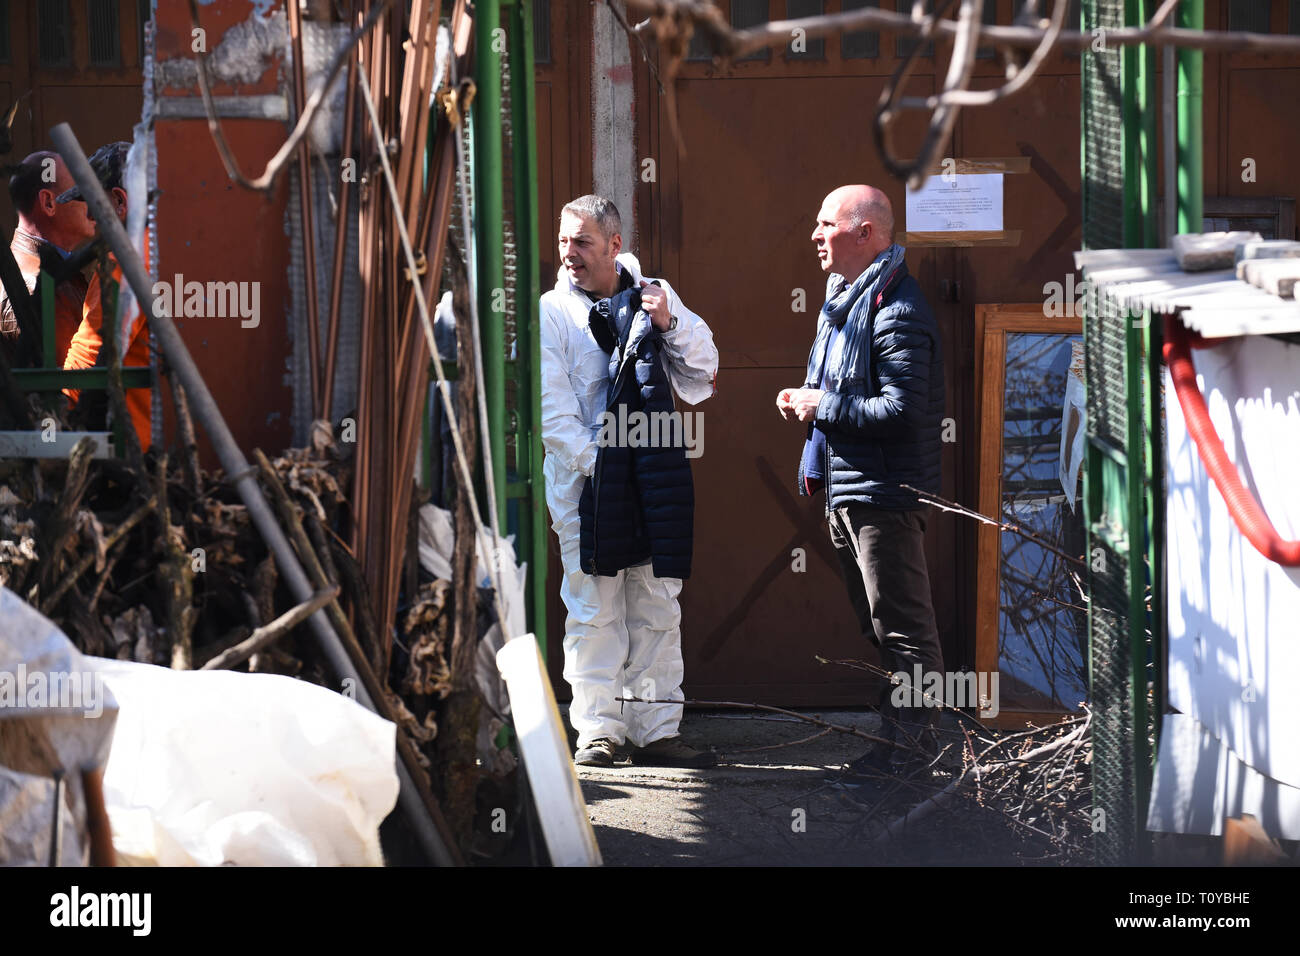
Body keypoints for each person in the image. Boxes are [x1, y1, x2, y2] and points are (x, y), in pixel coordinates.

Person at [540, 194, 719, 768]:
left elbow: (703, 374)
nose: (569, 253)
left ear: (615, 246)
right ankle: (599, 732)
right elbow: (552, 411)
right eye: (564, 240)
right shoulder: (550, 312)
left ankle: (658, 730)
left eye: (582, 242)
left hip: (654, 481)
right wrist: (603, 467)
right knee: (594, 608)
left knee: (658, 605)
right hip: (586, 483)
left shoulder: (653, 298)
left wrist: (670, 322)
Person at [776, 184, 945, 783]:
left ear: (865, 233)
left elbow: (901, 410)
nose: (816, 236)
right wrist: (814, 401)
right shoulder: (849, 302)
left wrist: (823, 404)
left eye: (826, 225)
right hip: (854, 492)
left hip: (884, 496)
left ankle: (916, 762)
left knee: (903, 633)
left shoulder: (896, 309)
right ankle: (897, 754)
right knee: (883, 629)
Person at [58, 141, 152, 452]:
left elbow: (86, 362)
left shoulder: (122, 262)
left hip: (135, 453)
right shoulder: (177, 248)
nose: (91, 217)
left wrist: (53, 423)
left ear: (119, 201)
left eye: (94, 204)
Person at [0, 151, 96, 365]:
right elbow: (68, 389)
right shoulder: (38, 288)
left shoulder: (49, 277)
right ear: (49, 203)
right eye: (82, 191)